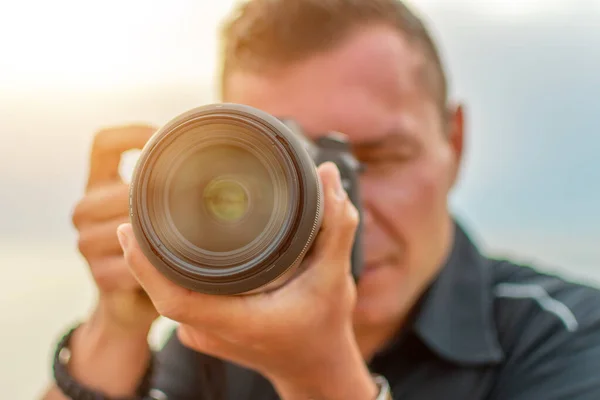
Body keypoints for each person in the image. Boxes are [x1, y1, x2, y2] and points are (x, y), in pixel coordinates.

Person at [43, 0, 600, 399]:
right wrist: (118, 326)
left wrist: (317, 378)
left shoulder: (568, 337)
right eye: (293, 169)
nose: (343, 214)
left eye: (377, 160)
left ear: (453, 144)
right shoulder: (212, 344)